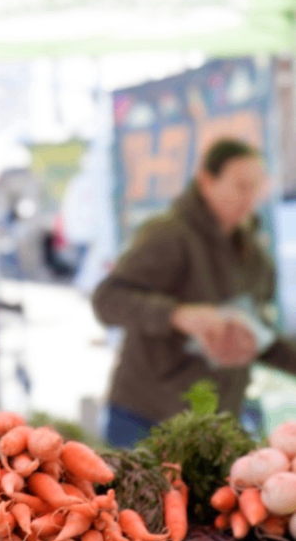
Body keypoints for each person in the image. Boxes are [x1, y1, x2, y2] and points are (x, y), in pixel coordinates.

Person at [92, 137, 296, 447]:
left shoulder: (254, 256)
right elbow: (107, 300)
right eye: (241, 186)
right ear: (206, 182)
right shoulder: (169, 234)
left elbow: (260, 335)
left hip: (217, 419)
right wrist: (177, 315)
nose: (250, 197)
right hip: (147, 414)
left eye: (256, 187)